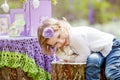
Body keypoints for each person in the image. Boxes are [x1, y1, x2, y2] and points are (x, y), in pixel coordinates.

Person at [37, 17, 120, 80]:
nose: (61, 41)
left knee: (111, 73)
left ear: (60, 27)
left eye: (59, 36)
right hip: (99, 51)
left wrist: (71, 59)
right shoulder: (66, 40)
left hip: (111, 46)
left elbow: (84, 56)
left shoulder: (74, 36)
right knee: (92, 60)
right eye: (56, 43)